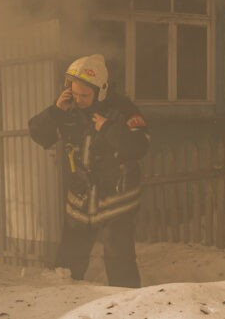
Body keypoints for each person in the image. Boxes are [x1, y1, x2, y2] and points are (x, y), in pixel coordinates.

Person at [28, 53, 149, 288]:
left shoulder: (123, 110)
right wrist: (55, 112)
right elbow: (40, 135)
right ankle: (64, 301)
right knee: (67, 264)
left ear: (100, 91)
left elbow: (140, 146)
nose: (79, 100)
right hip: (80, 200)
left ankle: (126, 303)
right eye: (74, 94)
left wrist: (108, 128)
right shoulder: (67, 109)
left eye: (84, 95)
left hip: (116, 200)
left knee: (119, 259)